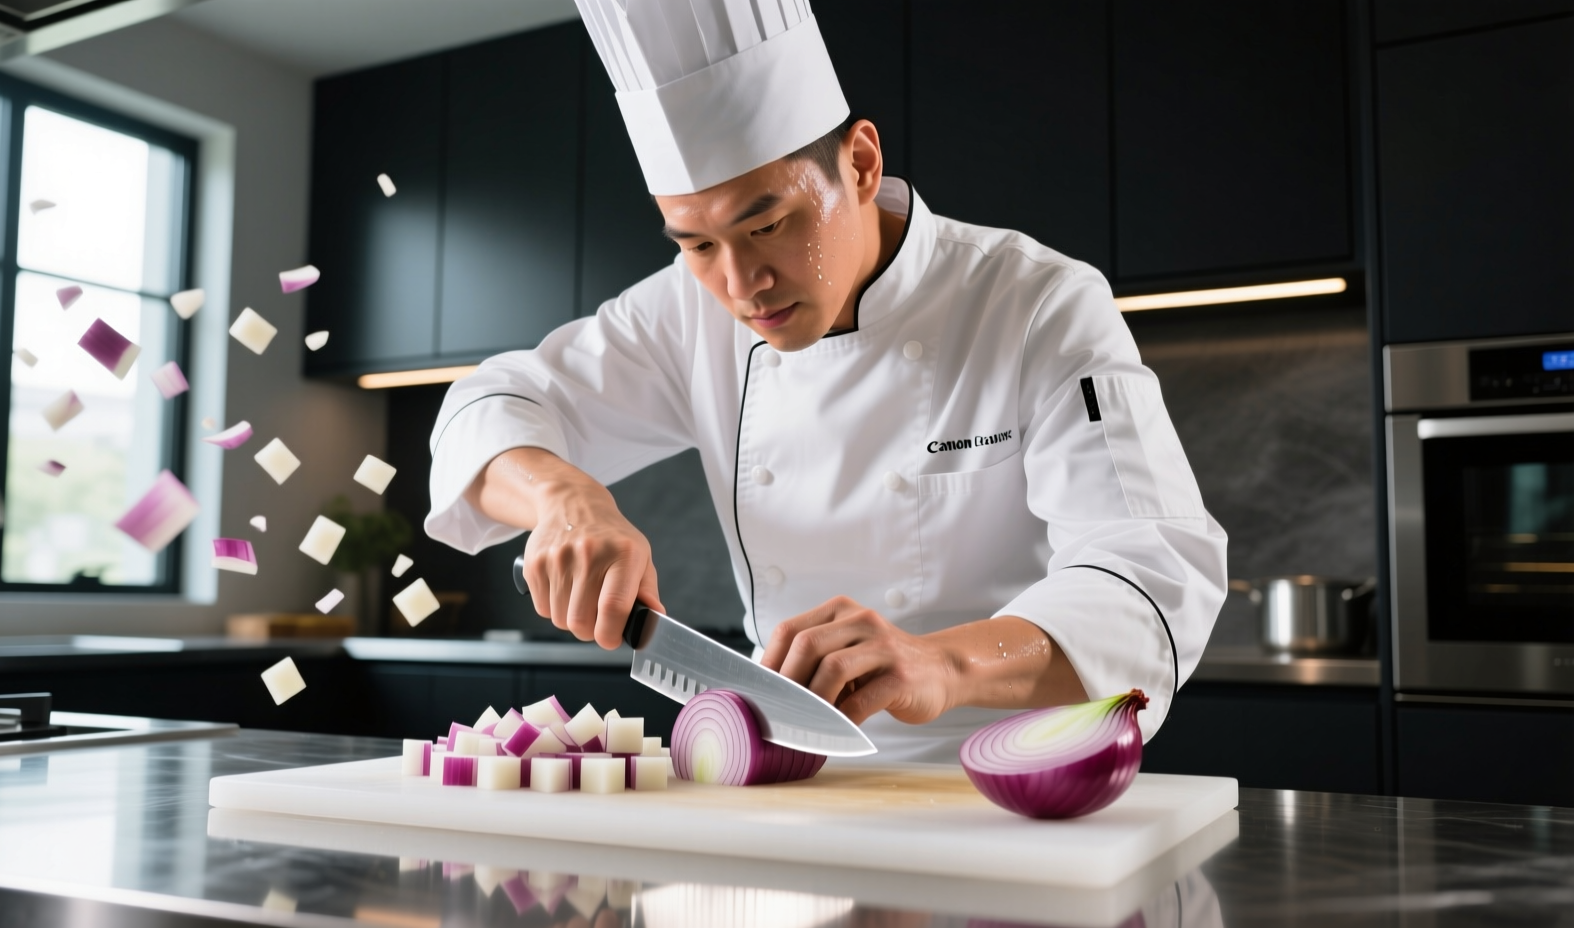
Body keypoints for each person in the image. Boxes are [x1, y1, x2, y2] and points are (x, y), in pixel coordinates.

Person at [426, 0, 1228, 762]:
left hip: (1009, 784)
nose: (742, 285)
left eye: (768, 225)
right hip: (795, 775)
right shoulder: (685, 314)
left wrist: (940, 664)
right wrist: (566, 501)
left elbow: (1151, 575)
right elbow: (486, 406)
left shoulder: (1033, 303)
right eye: (696, 245)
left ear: (862, 164)